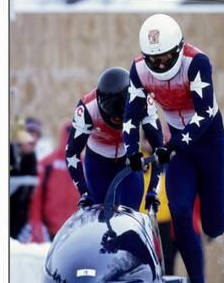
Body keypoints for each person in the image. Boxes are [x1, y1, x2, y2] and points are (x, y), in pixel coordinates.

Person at [123, 13, 224, 283]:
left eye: (165, 58)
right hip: (182, 148)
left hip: (209, 142)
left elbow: (204, 113)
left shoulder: (197, 62)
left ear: (178, 49)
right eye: (154, 59)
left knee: (214, 225)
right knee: (178, 210)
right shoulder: (138, 69)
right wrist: (130, 150)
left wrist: (176, 141)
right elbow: (131, 113)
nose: (160, 66)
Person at [65, 66, 162, 210]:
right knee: (101, 217)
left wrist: (153, 189)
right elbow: (72, 152)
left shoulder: (143, 102)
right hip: (98, 162)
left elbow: (160, 148)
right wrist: (84, 192)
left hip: (129, 157)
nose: (118, 121)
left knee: (129, 216)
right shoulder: (86, 108)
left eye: (121, 118)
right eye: (114, 118)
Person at [26, 122, 79, 242]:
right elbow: (36, 199)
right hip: (49, 232)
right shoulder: (47, 164)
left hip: (76, 233)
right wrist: (36, 223)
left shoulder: (87, 166)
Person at [9, 129, 38, 239]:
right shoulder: (9, 151)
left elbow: (33, 181)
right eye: (31, 142)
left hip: (19, 212)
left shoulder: (31, 156)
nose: (33, 144)